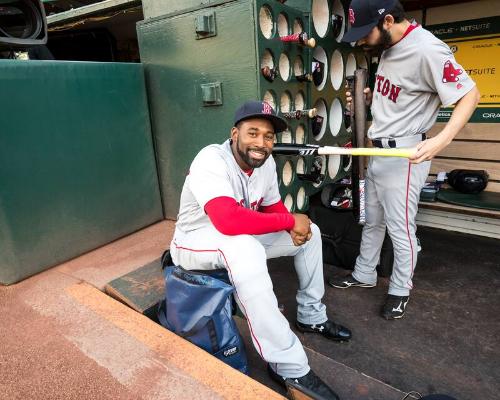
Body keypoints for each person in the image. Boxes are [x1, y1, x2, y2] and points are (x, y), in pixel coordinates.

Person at [170, 100, 351, 400]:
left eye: (268, 136)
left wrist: (293, 225)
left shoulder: (265, 163)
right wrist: (289, 219)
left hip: (235, 240)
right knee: (244, 248)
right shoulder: (211, 159)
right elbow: (228, 220)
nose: (261, 142)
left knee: (311, 233)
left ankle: (311, 315)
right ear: (234, 133)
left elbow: (272, 208)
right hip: (193, 243)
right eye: (252, 133)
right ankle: (288, 365)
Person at [329, 0, 480, 320]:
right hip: (378, 150)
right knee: (373, 220)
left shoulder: (428, 49)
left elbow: (470, 94)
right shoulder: (388, 46)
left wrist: (442, 140)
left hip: (405, 154)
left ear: (386, 21)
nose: (359, 40)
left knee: (401, 229)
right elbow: (398, 95)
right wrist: (369, 98)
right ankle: (364, 273)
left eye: (364, 32)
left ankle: (400, 289)